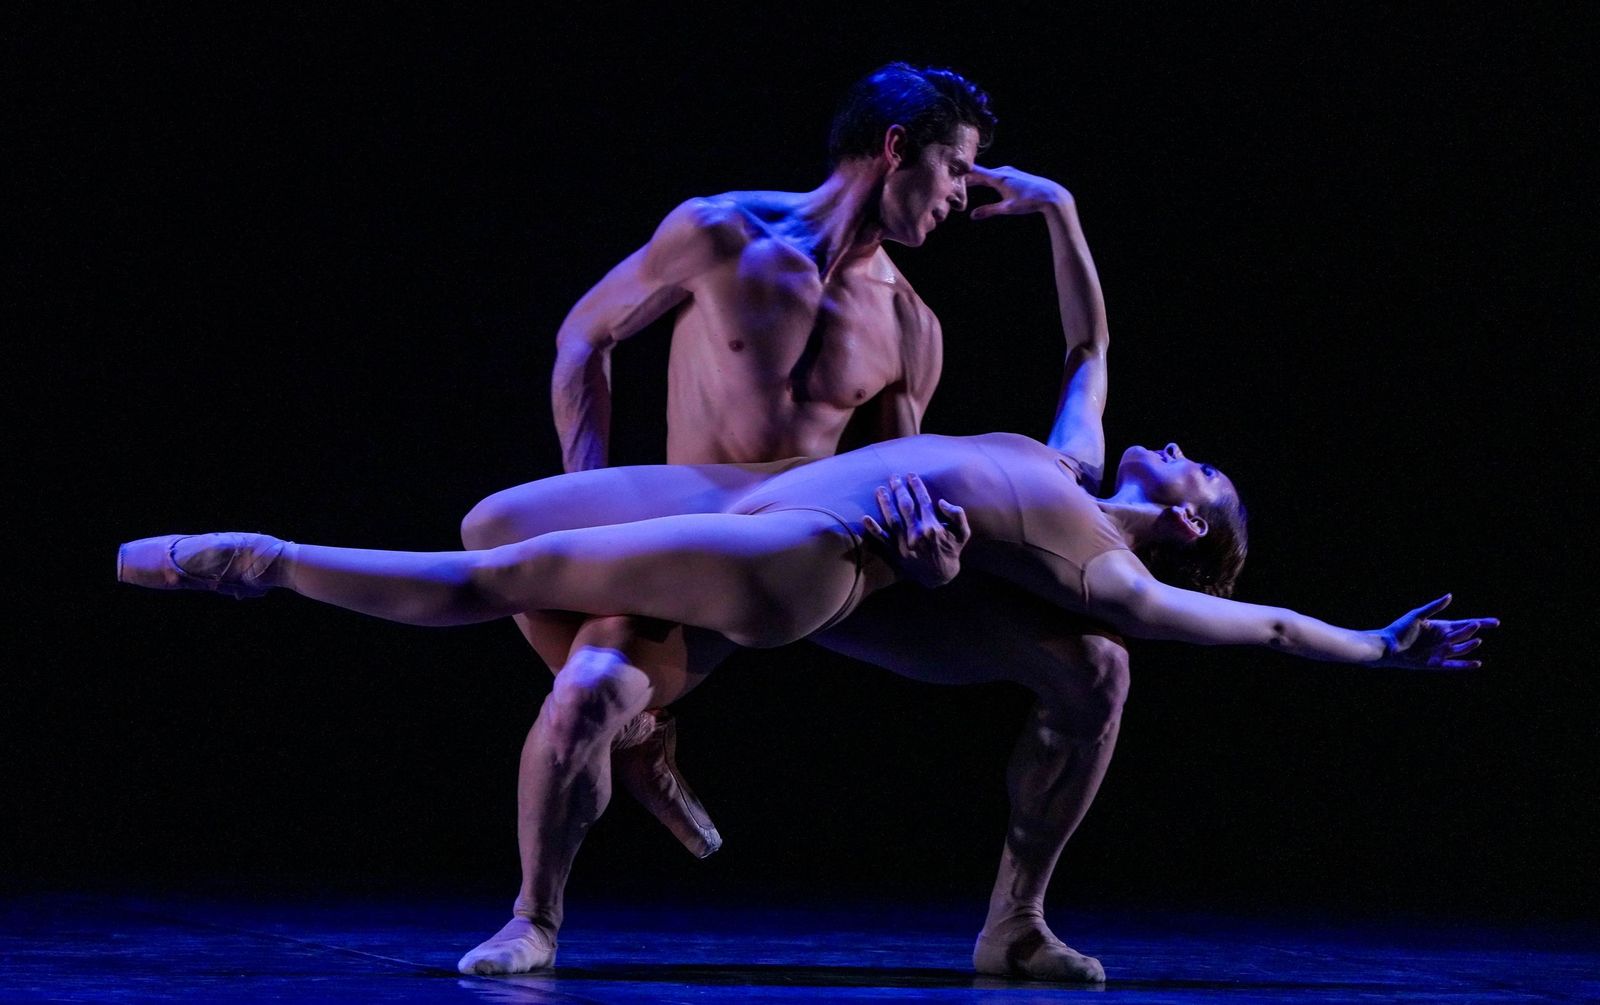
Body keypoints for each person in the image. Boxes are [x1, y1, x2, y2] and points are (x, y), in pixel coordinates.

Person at [456, 61, 1140, 982]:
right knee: (588, 688)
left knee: (1094, 667)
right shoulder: (719, 234)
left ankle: (1015, 924)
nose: (959, 198)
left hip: (816, 562)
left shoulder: (910, 324)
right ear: (897, 148)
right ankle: (532, 918)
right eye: (955, 169)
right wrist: (604, 516)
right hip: (698, 549)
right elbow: (585, 337)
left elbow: (902, 475)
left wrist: (928, 557)